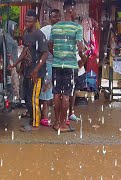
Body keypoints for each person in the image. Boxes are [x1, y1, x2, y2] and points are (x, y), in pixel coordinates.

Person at [49, 0, 86, 132]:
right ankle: (63, 124)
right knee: (66, 94)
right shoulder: (77, 27)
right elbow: (80, 48)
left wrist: (58, 55)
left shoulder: (55, 27)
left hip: (56, 64)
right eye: (75, 10)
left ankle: (57, 122)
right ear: (70, 10)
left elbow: (50, 46)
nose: (76, 13)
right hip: (70, 65)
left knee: (56, 93)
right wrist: (82, 56)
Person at [11, 9, 48, 131]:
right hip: (27, 70)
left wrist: (36, 70)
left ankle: (35, 124)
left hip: (36, 73)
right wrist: (17, 64)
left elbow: (45, 54)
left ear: (36, 21)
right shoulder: (26, 33)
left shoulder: (39, 35)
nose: (27, 23)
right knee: (26, 98)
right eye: (26, 21)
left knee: (34, 98)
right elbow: (25, 51)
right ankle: (32, 120)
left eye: (30, 21)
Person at [39, 9, 61, 126]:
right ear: (49, 18)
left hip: (59, 64)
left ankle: (58, 118)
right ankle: (44, 116)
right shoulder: (44, 30)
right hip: (47, 64)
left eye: (58, 17)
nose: (57, 19)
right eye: (54, 17)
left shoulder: (62, 30)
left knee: (57, 92)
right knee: (46, 90)